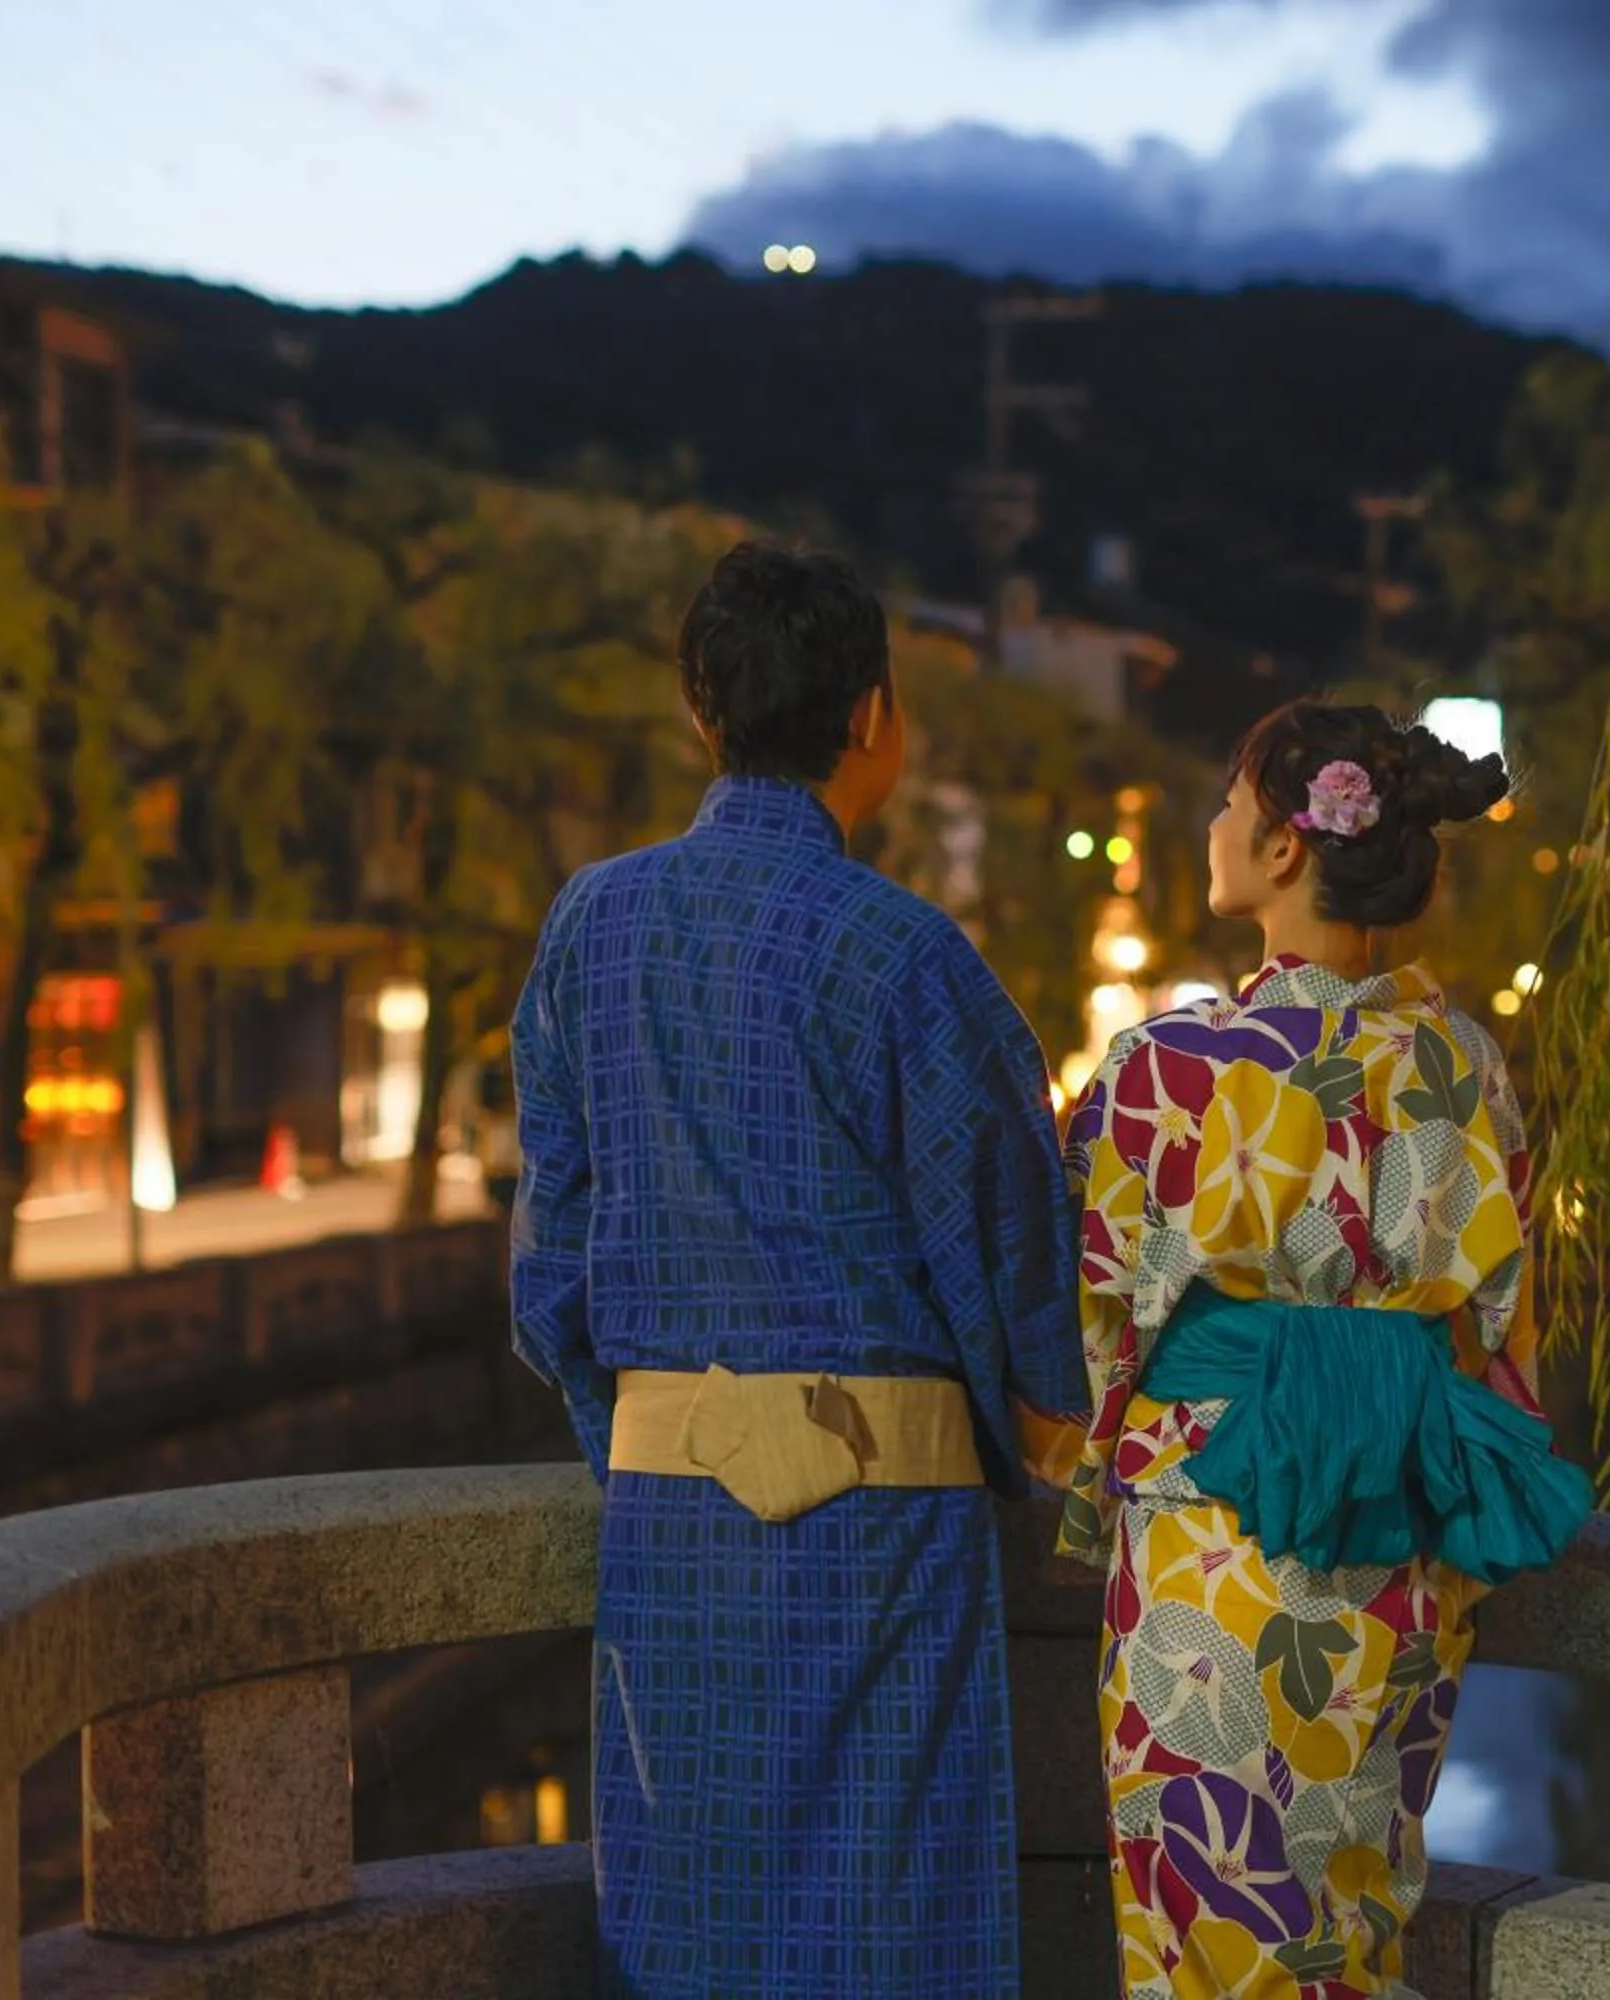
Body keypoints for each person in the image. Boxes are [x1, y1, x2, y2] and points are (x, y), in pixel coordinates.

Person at [507, 541, 1088, 2000]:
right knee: (891, 1909)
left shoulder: (589, 926)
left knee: (686, 1901)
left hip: (669, 1516)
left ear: (705, 712)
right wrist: (1040, 1419)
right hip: (880, 1528)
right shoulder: (908, 956)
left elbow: (552, 1253)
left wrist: (650, 1427)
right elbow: (1011, 1233)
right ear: (875, 715)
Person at [1054, 700, 1595, 1999]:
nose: (1215, 826)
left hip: (1212, 1543)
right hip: (1395, 1555)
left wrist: (1088, 1459)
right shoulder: (1466, 1065)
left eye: (1233, 804)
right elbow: (1501, 1323)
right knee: (1351, 1914)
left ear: (1290, 849)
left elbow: (1084, 1314)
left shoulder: (1165, 1072)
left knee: (1206, 1911)